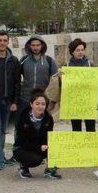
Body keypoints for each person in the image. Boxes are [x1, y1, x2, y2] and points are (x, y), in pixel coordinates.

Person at [11, 35, 57, 165]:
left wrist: (52, 101)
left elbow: (55, 82)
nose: (36, 48)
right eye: (33, 45)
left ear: (42, 46)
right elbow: (16, 80)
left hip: (43, 100)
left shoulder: (49, 61)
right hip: (25, 98)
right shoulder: (24, 60)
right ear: (29, 46)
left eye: (38, 45)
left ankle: (40, 152)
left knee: (42, 128)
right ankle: (18, 151)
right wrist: (15, 99)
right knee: (20, 126)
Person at [0, 30, 20, 170]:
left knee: (2, 131)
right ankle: (0, 159)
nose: (2, 43)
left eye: (4, 40)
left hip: (7, 101)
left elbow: (17, 82)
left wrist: (15, 102)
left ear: (8, 42)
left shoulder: (13, 60)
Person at [13, 90, 60, 179]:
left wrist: (49, 146)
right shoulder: (23, 117)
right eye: (37, 103)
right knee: (36, 160)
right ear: (31, 104)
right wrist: (39, 147)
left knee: (59, 148)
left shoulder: (48, 119)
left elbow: (49, 136)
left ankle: (49, 170)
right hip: (22, 148)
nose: (40, 106)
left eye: (43, 104)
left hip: (39, 146)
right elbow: (22, 142)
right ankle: (24, 167)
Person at [64, 38, 98, 132]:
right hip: (74, 102)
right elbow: (64, 86)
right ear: (72, 52)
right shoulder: (67, 65)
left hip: (89, 101)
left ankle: (90, 146)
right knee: (76, 128)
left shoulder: (90, 64)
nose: (80, 52)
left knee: (91, 128)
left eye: (82, 50)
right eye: (78, 50)